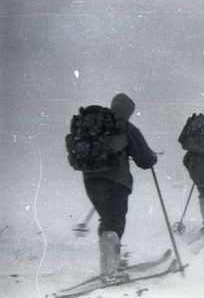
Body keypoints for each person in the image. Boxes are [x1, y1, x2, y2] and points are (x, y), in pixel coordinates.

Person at [83, 93, 157, 283]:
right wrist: (152, 158)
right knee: (114, 222)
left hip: (90, 180)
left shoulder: (95, 124)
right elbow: (145, 160)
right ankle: (110, 272)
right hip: (116, 181)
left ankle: (110, 264)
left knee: (107, 220)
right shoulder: (125, 126)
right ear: (129, 111)